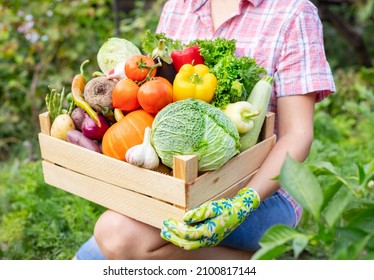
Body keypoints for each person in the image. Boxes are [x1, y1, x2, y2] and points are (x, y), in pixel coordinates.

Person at [74, 0, 335, 260]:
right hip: (180, 192)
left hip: (262, 193)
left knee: (117, 236)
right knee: (89, 257)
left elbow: (297, 135)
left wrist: (243, 203)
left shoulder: (294, 12)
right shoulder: (178, 7)